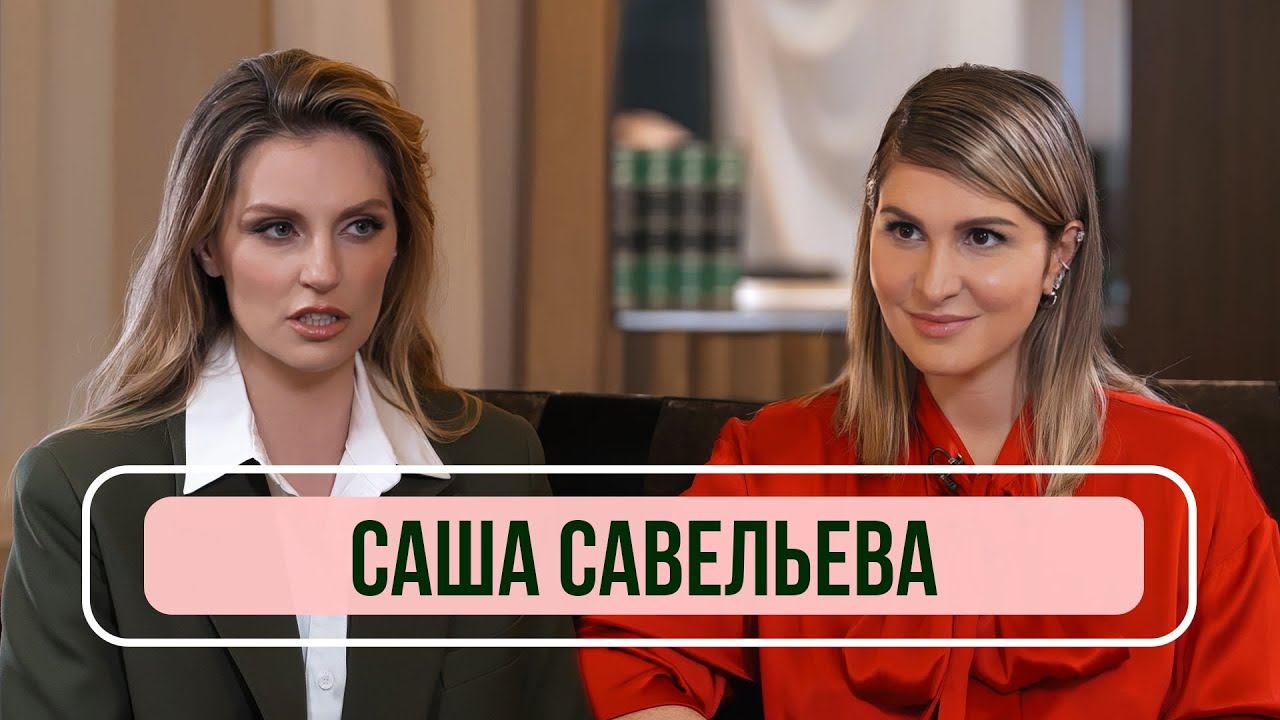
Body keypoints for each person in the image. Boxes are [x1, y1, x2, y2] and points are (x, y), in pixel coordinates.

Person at [577, 64, 1280, 719]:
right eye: (905, 230)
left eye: (983, 237)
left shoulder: (1188, 474)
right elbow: (634, 653)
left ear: (1060, 255)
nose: (934, 283)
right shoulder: (777, 459)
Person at [0, 49, 590, 720]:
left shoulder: (499, 464)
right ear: (208, 246)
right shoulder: (81, 492)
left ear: (398, 243)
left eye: (360, 226)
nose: (323, 271)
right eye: (277, 229)